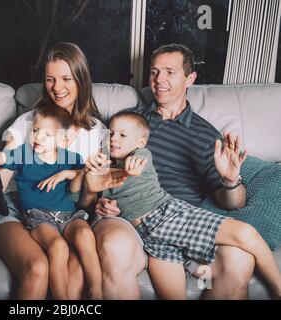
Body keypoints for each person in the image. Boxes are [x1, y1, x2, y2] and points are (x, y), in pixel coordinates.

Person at [80, 43, 257, 299]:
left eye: (170, 72)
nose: (159, 79)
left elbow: (231, 202)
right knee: (113, 247)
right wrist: (102, 202)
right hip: (130, 219)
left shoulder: (207, 135)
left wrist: (230, 181)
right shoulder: (128, 123)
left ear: (190, 78)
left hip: (181, 222)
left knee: (239, 260)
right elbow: (98, 174)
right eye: (154, 72)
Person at [0, 42, 109, 299]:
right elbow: (3, 172)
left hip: (65, 211)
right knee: (37, 268)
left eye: (66, 78)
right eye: (50, 79)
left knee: (75, 272)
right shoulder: (28, 122)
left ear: (82, 79)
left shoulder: (97, 134)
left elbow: (88, 200)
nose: (57, 88)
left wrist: (81, 179)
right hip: (17, 208)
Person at [83, 111, 281, 300]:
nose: (113, 138)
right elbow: (94, 197)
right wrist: (104, 204)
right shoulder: (108, 162)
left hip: (167, 215)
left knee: (244, 233)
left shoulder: (141, 154)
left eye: (122, 135)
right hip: (148, 237)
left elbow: (135, 165)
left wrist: (230, 180)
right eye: (112, 133)